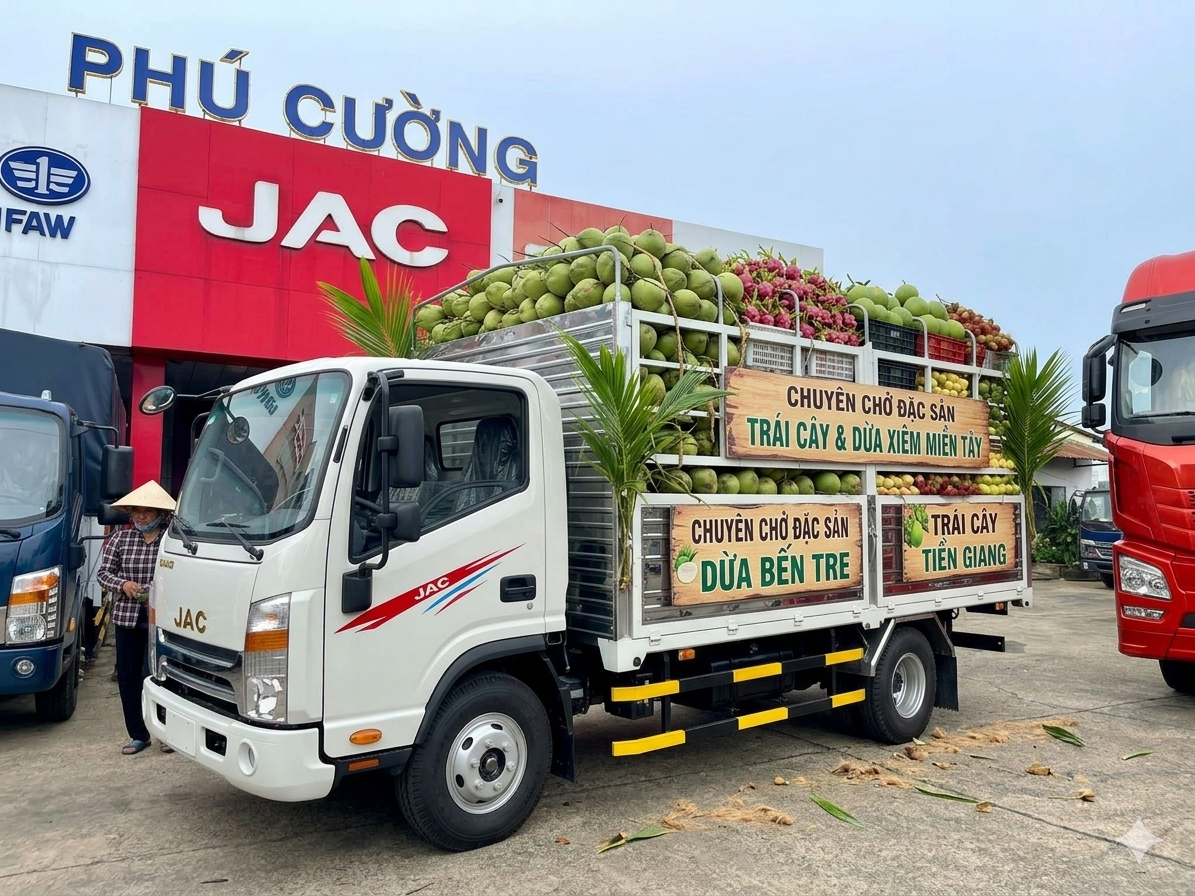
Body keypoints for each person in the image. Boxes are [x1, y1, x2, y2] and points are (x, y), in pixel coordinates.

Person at [96, 480, 176, 755]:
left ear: (160, 514)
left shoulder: (171, 541)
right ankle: (138, 734)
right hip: (127, 618)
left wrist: (155, 589)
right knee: (128, 678)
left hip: (162, 620)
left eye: (147, 511)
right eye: (136, 512)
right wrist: (123, 585)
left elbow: (180, 574)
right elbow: (103, 574)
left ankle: (166, 733)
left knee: (160, 676)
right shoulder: (120, 539)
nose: (141, 516)